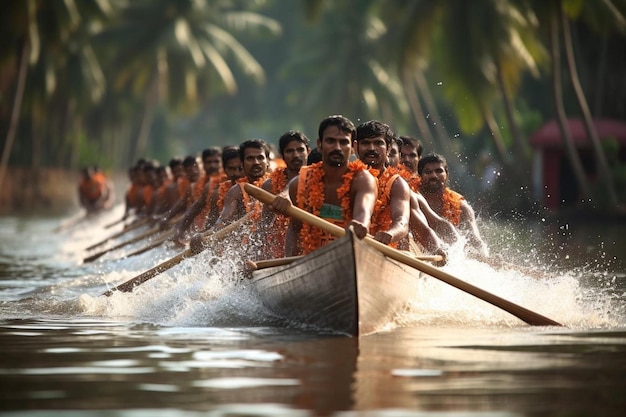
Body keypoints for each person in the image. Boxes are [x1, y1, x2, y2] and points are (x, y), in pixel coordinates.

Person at [270, 115, 378, 257]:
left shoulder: (363, 180)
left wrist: (361, 223)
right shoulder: (301, 182)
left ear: (353, 147)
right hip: (313, 257)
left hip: (353, 253)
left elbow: (363, 213)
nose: (337, 147)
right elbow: (296, 229)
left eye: (344, 142)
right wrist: (291, 261)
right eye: (331, 141)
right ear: (320, 144)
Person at [355, 121, 446, 261]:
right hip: (353, 247)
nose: (372, 148)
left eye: (378, 143)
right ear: (356, 147)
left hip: (388, 254)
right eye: (366, 143)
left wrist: (390, 234)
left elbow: (403, 222)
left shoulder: (397, 185)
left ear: (388, 148)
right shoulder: (346, 178)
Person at [418, 152, 489, 257]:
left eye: (439, 171)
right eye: (428, 172)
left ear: (446, 174)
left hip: (447, 257)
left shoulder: (461, 207)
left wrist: (484, 257)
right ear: (420, 176)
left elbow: (476, 241)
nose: (434, 175)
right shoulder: (412, 196)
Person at [257, 130, 310, 258]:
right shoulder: (269, 186)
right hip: (280, 253)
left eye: (300, 150)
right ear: (282, 155)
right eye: (290, 151)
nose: (296, 155)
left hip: (312, 246)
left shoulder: (321, 179)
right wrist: (255, 255)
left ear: (308, 152)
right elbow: (264, 226)